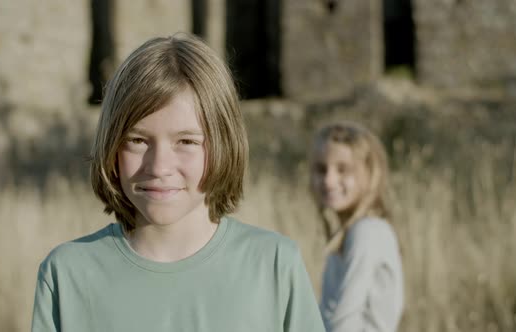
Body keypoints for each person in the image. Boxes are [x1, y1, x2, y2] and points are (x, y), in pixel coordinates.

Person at [31, 33, 325, 332]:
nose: (159, 166)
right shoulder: (67, 274)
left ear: (224, 142)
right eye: (137, 140)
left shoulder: (274, 265)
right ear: (112, 145)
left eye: (186, 141)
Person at [309, 122, 404, 332]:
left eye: (343, 170)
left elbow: (345, 319)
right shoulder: (348, 233)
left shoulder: (367, 232)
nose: (329, 180)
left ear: (370, 173)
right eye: (321, 169)